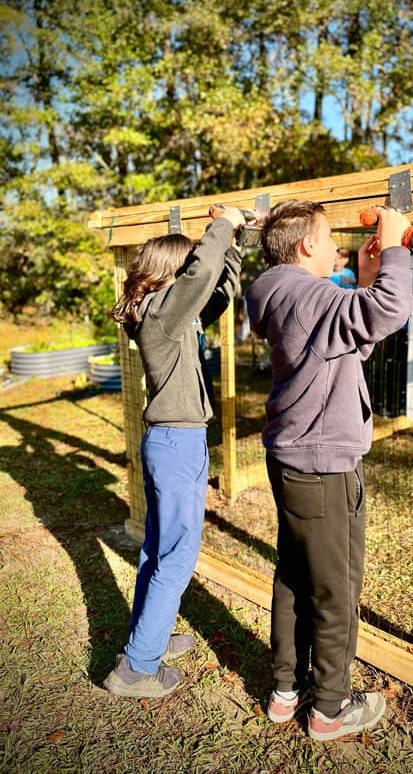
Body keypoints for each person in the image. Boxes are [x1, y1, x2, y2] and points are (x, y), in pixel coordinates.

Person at [245, 200, 412, 741]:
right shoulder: (309, 294)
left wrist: (362, 279)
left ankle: (285, 691)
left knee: (295, 575)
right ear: (306, 245)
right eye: (329, 236)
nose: (338, 246)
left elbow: (345, 344)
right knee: (337, 589)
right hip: (321, 467)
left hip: (292, 459)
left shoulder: (277, 290)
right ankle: (330, 711)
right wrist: (393, 247)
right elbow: (388, 310)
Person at [104, 207, 244, 698]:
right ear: (171, 274)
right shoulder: (163, 316)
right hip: (176, 443)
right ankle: (137, 669)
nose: (192, 280)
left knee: (157, 551)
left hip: (172, 441)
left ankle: (149, 637)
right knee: (178, 558)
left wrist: (234, 245)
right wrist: (221, 225)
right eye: (184, 272)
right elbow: (201, 272)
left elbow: (217, 291)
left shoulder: (169, 317)